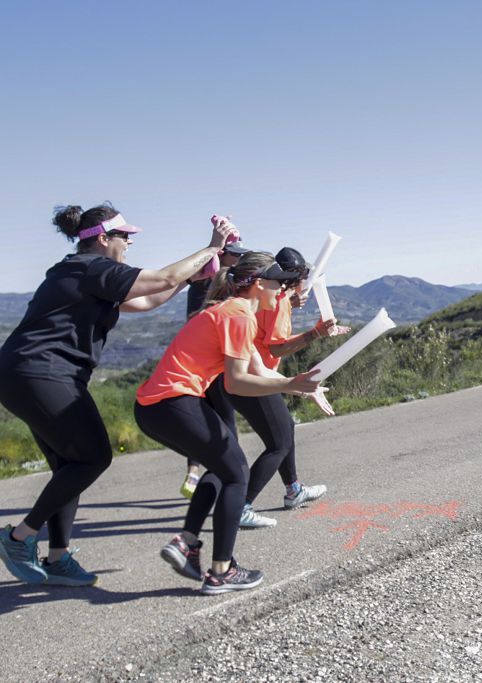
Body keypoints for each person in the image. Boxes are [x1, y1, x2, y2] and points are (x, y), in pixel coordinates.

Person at [0, 203, 236, 586]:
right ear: (103, 239)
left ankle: (58, 557)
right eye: (124, 236)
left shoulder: (84, 273)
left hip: (26, 373)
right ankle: (18, 537)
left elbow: (147, 300)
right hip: (41, 372)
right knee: (94, 457)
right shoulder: (92, 268)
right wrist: (211, 247)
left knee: (70, 464)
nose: (129, 243)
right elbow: (162, 277)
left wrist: (192, 280)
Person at [134, 251, 325, 594]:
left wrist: (299, 388)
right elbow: (236, 382)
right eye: (279, 284)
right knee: (236, 470)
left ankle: (187, 543)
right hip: (173, 401)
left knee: (222, 466)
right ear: (257, 284)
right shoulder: (239, 316)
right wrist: (288, 384)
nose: (283, 292)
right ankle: (221, 571)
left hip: (157, 406)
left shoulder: (233, 311)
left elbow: (259, 370)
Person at [225, 247, 349, 529]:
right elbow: (276, 345)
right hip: (254, 376)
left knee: (285, 430)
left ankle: (293, 488)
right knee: (278, 442)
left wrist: (291, 303)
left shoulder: (275, 299)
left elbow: (265, 328)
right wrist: (314, 334)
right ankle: (241, 506)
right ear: (296, 280)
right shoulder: (277, 303)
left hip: (249, 373)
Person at [179, 241, 250, 499]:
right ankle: (232, 473)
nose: (239, 260)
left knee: (205, 419)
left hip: (199, 363)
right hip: (210, 363)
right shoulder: (212, 283)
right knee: (224, 417)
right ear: (222, 255)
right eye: (236, 255)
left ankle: (195, 471)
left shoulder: (210, 281)